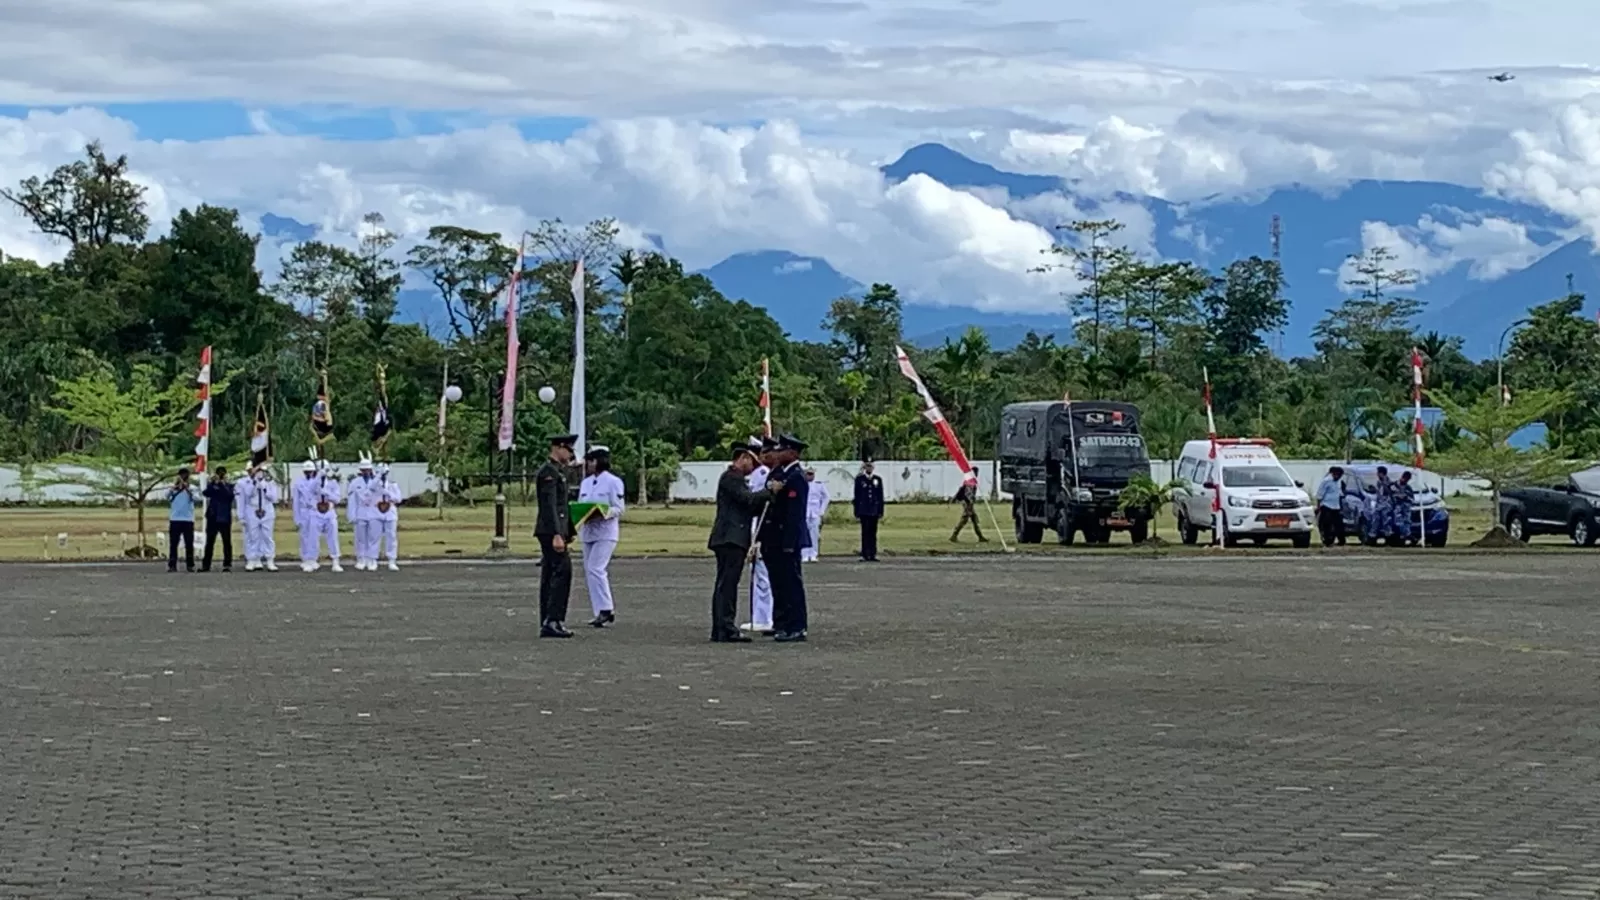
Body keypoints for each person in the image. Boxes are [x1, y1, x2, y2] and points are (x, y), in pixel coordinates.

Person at [709, 439, 773, 642]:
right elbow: (747, 499)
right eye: (751, 463)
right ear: (743, 458)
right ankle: (725, 627)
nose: (752, 468)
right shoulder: (732, 478)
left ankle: (723, 627)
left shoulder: (735, 479)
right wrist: (770, 491)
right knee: (727, 585)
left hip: (732, 538)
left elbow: (749, 507)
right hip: (731, 538)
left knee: (726, 584)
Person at [761, 432, 811, 643]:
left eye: (782, 450)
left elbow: (794, 514)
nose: (777, 453)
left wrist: (789, 542)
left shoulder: (796, 477)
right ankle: (781, 622)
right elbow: (768, 490)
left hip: (788, 538)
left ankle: (797, 626)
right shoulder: (780, 472)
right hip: (774, 537)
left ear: (792, 453)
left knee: (792, 584)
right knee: (779, 583)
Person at [534, 434, 578, 638]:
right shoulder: (549, 473)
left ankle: (551, 619)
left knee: (552, 573)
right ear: (558, 448)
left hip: (554, 531)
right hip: (550, 532)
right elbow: (550, 506)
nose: (570, 455)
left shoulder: (556, 472)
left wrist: (567, 531)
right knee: (562, 572)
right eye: (568, 450)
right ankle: (552, 619)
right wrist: (557, 534)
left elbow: (562, 507)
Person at [577, 445, 626, 628]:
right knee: (590, 571)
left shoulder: (613, 482)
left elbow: (619, 508)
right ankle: (599, 610)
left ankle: (606, 608)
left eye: (590, 460)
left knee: (596, 568)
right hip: (588, 531)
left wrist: (603, 512)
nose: (588, 464)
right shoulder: (586, 483)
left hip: (606, 531)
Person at [740, 436, 778, 635]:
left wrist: (755, 538)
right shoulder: (757, 474)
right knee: (758, 574)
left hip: (760, 528)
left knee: (762, 575)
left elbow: (759, 506)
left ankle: (764, 618)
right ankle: (760, 616)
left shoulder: (762, 474)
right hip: (754, 528)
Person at [292, 460, 344, 573]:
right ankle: (311, 560)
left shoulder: (333, 483)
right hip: (315, 512)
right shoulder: (312, 483)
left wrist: (327, 493)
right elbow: (310, 491)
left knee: (333, 537)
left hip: (329, 512)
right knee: (312, 538)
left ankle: (335, 561)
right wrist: (319, 479)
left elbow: (337, 499)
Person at [238, 464, 280, 571]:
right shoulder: (248, 482)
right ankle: (252, 559)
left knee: (267, 536)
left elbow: (274, 498)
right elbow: (248, 494)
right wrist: (255, 483)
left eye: (262, 471)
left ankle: (270, 560)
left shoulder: (270, 482)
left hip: (267, 508)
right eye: (258, 471)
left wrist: (265, 487)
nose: (260, 473)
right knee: (253, 536)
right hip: (253, 509)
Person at [347, 457, 380, 571]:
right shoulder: (355, 483)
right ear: (360, 470)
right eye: (364, 470)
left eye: (368, 469)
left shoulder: (376, 481)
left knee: (373, 537)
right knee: (360, 538)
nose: (366, 471)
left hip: (374, 512)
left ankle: (372, 559)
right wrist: (352, 515)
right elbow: (352, 500)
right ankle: (361, 559)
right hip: (360, 512)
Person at [199, 466, 235, 572]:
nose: (220, 475)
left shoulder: (229, 486)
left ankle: (227, 564)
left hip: (224, 518)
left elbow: (229, 496)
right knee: (209, 542)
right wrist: (211, 483)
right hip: (212, 517)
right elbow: (206, 493)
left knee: (226, 542)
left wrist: (221, 483)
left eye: (222, 473)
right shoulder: (213, 486)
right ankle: (206, 565)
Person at [165, 468, 198, 573]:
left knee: (189, 543)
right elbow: (166, 496)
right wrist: (175, 488)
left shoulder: (192, 488)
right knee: (173, 543)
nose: (183, 477)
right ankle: (172, 565)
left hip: (188, 519)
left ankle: (190, 565)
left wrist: (187, 489)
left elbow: (197, 498)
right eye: (181, 475)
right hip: (175, 519)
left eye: (185, 475)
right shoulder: (173, 487)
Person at [853, 459, 884, 561]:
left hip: (874, 510)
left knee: (873, 533)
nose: (869, 468)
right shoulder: (859, 479)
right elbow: (857, 496)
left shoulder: (877, 479)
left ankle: (873, 554)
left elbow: (880, 496)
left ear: (873, 468)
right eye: (867, 466)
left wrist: (880, 511)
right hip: (864, 510)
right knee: (865, 532)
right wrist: (856, 511)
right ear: (864, 467)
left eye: (870, 466)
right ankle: (865, 554)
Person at [375, 463, 402, 570]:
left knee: (391, 536)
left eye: (385, 473)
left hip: (390, 512)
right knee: (375, 536)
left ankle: (391, 560)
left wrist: (389, 494)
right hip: (377, 512)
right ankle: (373, 559)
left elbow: (398, 499)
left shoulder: (392, 485)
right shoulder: (374, 485)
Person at [950, 468, 988, 542]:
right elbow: (968, 494)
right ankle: (954, 536)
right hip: (967, 503)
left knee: (974, 519)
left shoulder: (969, 480)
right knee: (965, 519)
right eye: (976, 473)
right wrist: (970, 504)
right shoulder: (970, 482)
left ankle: (980, 536)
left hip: (967, 502)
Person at [801, 467, 830, 562]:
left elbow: (826, 497)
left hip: (815, 512)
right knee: (804, 534)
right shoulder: (802, 484)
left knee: (814, 534)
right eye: (808, 474)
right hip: (804, 512)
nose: (810, 476)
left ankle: (813, 554)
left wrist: (821, 510)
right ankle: (804, 554)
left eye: (811, 474)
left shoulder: (819, 485)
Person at [1314, 465, 1347, 546]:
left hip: (1336, 506)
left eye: (1339, 476)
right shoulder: (1326, 481)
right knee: (1327, 524)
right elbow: (1319, 494)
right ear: (1333, 474)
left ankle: (1341, 540)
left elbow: (1339, 492)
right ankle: (1328, 541)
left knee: (1339, 524)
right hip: (1326, 505)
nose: (1338, 477)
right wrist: (1318, 507)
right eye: (1336, 475)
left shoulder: (1338, 481)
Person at [1391, 470, 1417, 544]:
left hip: (1406, 507)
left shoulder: (1408, 488)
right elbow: (1388, 495)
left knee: (1407, 521)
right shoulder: (1394, 485)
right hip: (1396, 507)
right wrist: (1397, 497)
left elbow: (1412, 499)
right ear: (1402, 477)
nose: (1405, 481)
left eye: (1407, 480)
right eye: (1405, 479)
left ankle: (1406, 535)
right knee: (1398, 521)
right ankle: (1405, 535)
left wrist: (1406, 497)